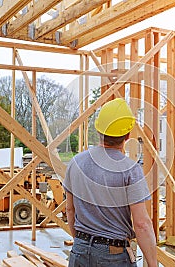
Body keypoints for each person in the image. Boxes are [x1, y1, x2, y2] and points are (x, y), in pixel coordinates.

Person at [64, 98, 158, 267]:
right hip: (113, 256)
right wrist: (152, 263)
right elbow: (142, 223)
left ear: (99, 130)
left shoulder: (76, 163)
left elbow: (70, 210)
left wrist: (81, 243)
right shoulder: (130, 170)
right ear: (128, 135)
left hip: (80, 250)